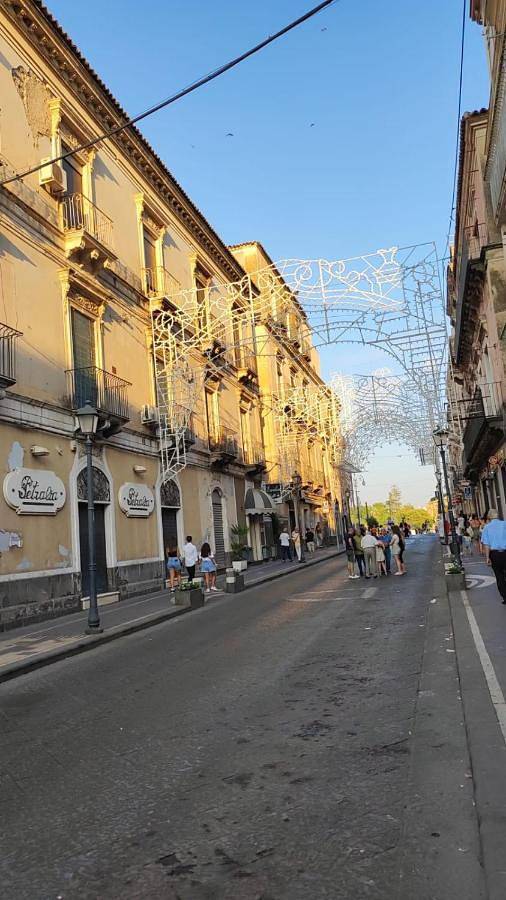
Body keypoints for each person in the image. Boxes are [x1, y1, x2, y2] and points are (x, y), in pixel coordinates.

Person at [481, 509, 506, 604]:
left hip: (495, 554)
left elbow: (486, 544)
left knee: (499, 576)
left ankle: (505, 597)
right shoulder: (504, 524)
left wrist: (487, 558)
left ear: (489, 517)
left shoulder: (487, 528)